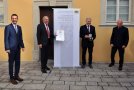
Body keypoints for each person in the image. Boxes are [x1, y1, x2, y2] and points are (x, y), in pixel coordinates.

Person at [4, 14, 25, 85]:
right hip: (11, 49)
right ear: (11, 19)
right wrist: (7, 48)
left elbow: (20, 38)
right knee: (11, 63)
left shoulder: (19, 27)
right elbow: (6, 38)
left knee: (18, 63)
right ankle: (11, 78)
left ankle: (16, 76)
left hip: (18, 48)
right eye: (13, 18)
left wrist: (22, 46)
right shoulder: (8, 27)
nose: (14, 19)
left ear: (17, 19)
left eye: (15, 18)